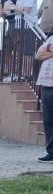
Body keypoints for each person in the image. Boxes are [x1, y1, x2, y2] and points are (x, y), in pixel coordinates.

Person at [35, 33, 53, 162]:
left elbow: (44, 54)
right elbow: (39, 55)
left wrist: (49, 50)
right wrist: (49, 48)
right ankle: (51, 152)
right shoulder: (51, 38)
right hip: (47, 86)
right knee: (48, 121)